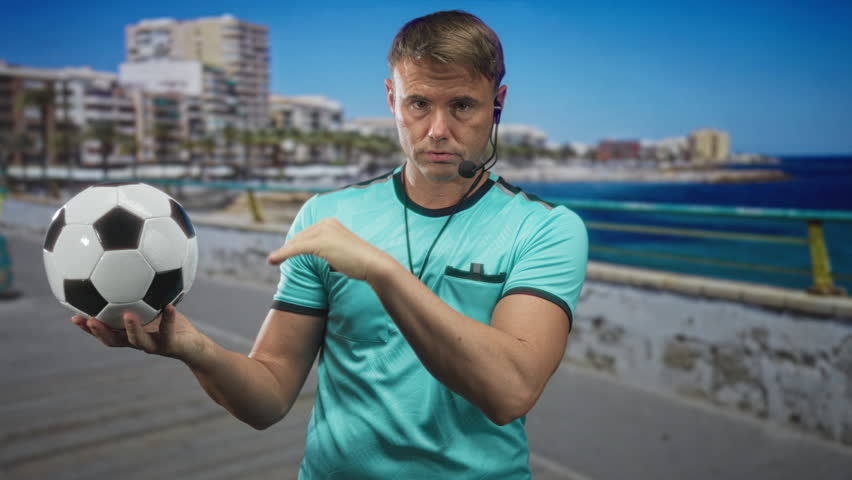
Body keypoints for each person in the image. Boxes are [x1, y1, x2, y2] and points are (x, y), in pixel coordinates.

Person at [72, 10, 588, 479]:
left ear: (497, 104)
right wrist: (194, 350)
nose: (437, 130)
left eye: (462, 106)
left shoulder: (545, 229)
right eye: (418, 104)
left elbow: (510, 391)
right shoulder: (328, 216)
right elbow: (269, 396)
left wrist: (381, 272)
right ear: (392, 99)